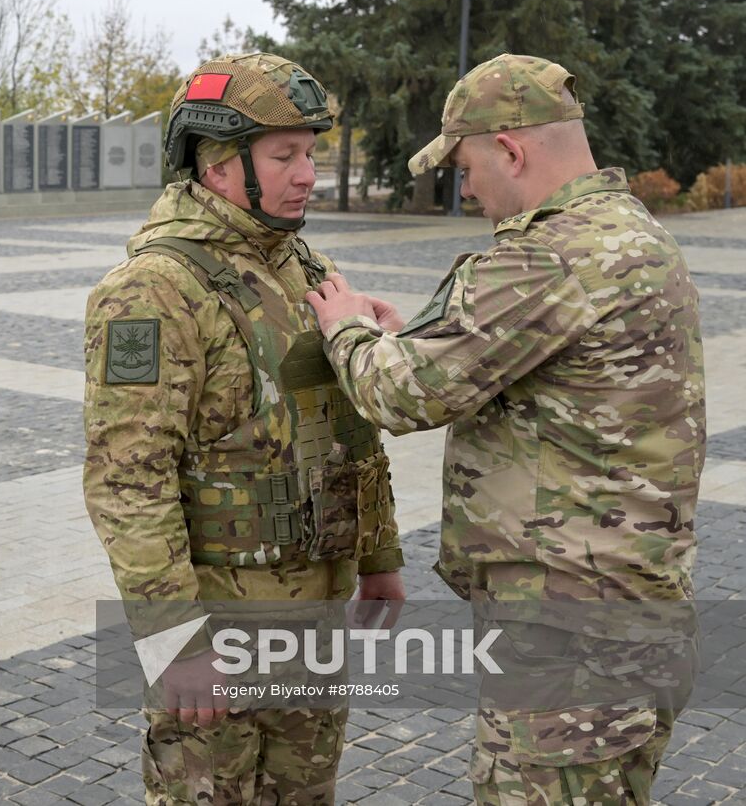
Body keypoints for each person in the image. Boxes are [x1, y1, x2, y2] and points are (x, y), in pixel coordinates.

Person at [306, 54, 705, 804]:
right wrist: (409, 334)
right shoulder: (631, 233)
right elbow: (515, 362)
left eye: (466, 165)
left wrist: (345, 331)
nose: (467, 187)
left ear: (511, 150)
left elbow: (400, 397)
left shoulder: (547, 255)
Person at [83, 53, 406, 804]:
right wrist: (174, 640)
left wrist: (378, 551)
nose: (308, 173)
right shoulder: (155, 288)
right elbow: (127, 480)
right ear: (221, 164)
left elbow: (348, 426)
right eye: (285, 155)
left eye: (311, 153)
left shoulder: (305, 268)